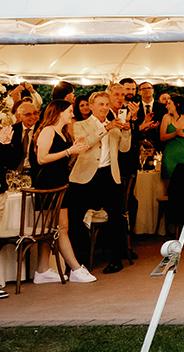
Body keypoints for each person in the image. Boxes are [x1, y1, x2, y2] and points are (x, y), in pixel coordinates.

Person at [31, 100, 95, 283]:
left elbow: (62, 160)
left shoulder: (63, 132)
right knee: (61, 228)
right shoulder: (48, 130)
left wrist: (76, 151)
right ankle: (75, 268)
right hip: (47, 185)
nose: (72, 114)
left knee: (50, 229)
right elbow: (42, 158)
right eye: (68, 111)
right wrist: (69, 151)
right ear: (58, 112)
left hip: (60, 183)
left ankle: (42, 271)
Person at [66, 91, 128, 274]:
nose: (104, 107)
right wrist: (106, 129)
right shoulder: (80, 125)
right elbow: (85, 145)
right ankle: (80, 262)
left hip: (109, 175)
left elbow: (124, 148)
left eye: (106, 104)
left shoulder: (115, 125)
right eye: (100, 104)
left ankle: (116, 259)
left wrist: (127, 130)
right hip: (84, 176)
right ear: (91, 106)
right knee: (76, 219)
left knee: (116, 217)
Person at [159, 95, 184, 189]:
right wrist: (174, 133)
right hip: (170, 156)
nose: (166, 106)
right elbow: (162, 137)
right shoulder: (166, 117)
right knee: (169, 188)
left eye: (169, 104)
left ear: (178, 104)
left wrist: (183, 134)